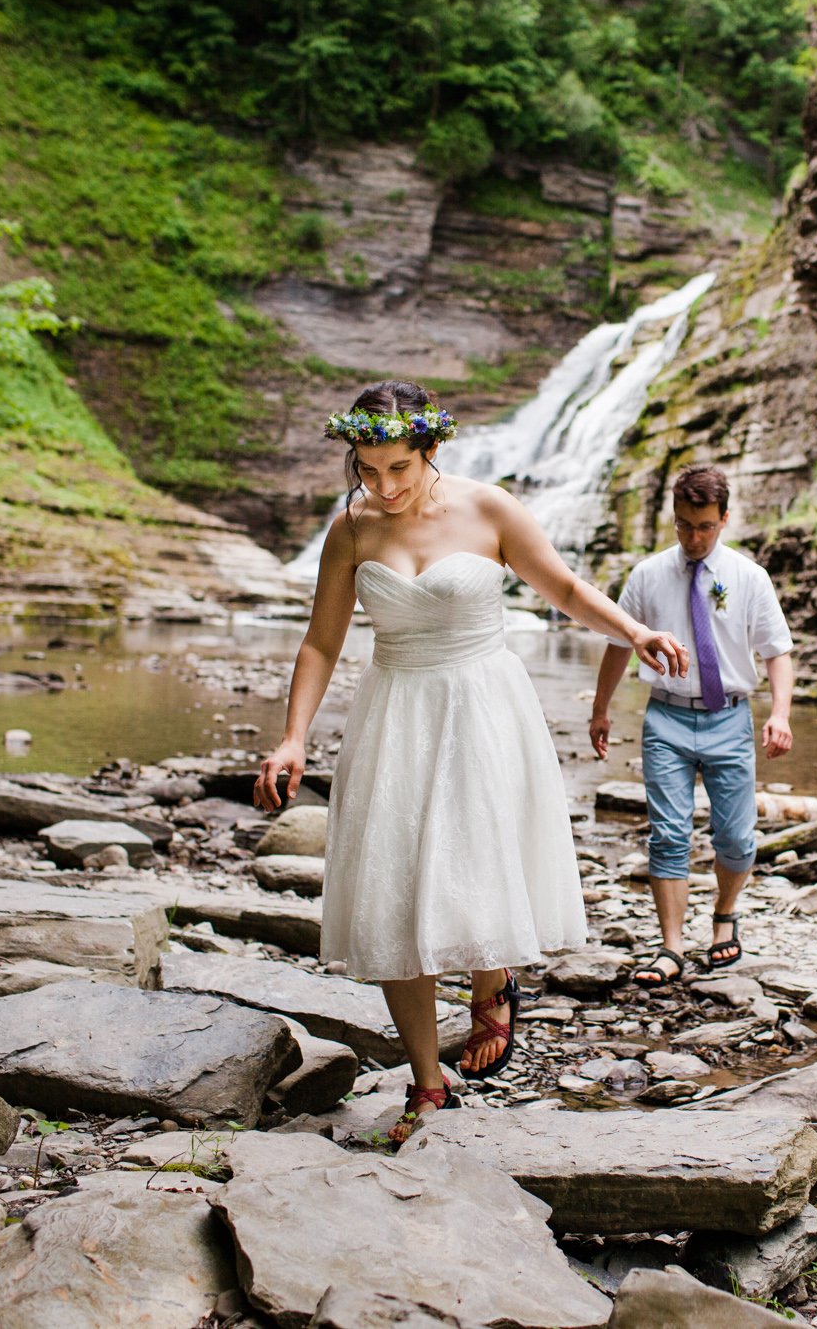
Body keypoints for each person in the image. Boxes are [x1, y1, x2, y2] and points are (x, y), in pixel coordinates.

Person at [254, 380, 687, 1143]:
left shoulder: (491, 509)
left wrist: (634, 632)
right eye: (368, 469)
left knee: (476, 856)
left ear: (432, 449)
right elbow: (322, 641)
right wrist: (292, 736)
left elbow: (562, 587)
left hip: (483, 704)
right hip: (395, 708)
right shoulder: (350, 529)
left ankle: (492, 975)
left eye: (399, 468)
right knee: (392, 890)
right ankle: (428, 1082)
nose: (383, 486)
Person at [588, 464, 794, 988]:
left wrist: (780, 713)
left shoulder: (749, 577)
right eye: (683, 525)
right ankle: (672, 946)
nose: (693, 537)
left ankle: (725, 914)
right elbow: (619, 644)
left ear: (724, 519)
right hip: (666, 717)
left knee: (736, 837)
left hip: (730, 718)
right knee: (669, 833)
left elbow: (778, 651)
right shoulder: (647, 575)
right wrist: (601, 709)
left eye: (704, 526)